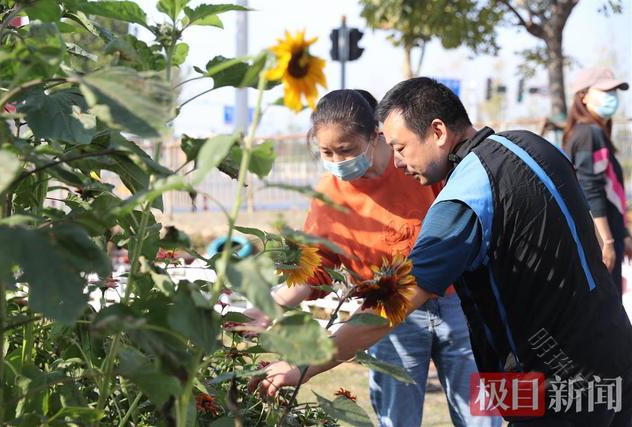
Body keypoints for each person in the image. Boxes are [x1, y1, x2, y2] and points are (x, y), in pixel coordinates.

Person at [253, 78, 632, 426]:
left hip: (555, 379)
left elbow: (393, 303)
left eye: (400, 147)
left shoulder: (463, 197)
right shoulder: (529, 144)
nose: (399, 162)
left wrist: (304, 364)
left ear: (437, 131)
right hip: (613, 354)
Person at [246, 89, 499, 426]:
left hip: (458, 305)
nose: (337, 161)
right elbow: (316, 269)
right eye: (327, 153)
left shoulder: (417, 167)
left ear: (375, 135)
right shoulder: (329, 195)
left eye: (346, 150)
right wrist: (268, 306)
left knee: (481, 413)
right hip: (383, 317)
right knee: (396, 418)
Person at [563, 66, 631, 298]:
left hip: (608, 237)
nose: (612, 97)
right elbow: (589, 189)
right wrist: (608, 241)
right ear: (583, 96)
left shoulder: (590, 133)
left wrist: (622, 235)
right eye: (605, 91)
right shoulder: (589, 134)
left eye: (614, 91)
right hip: (602, 242)